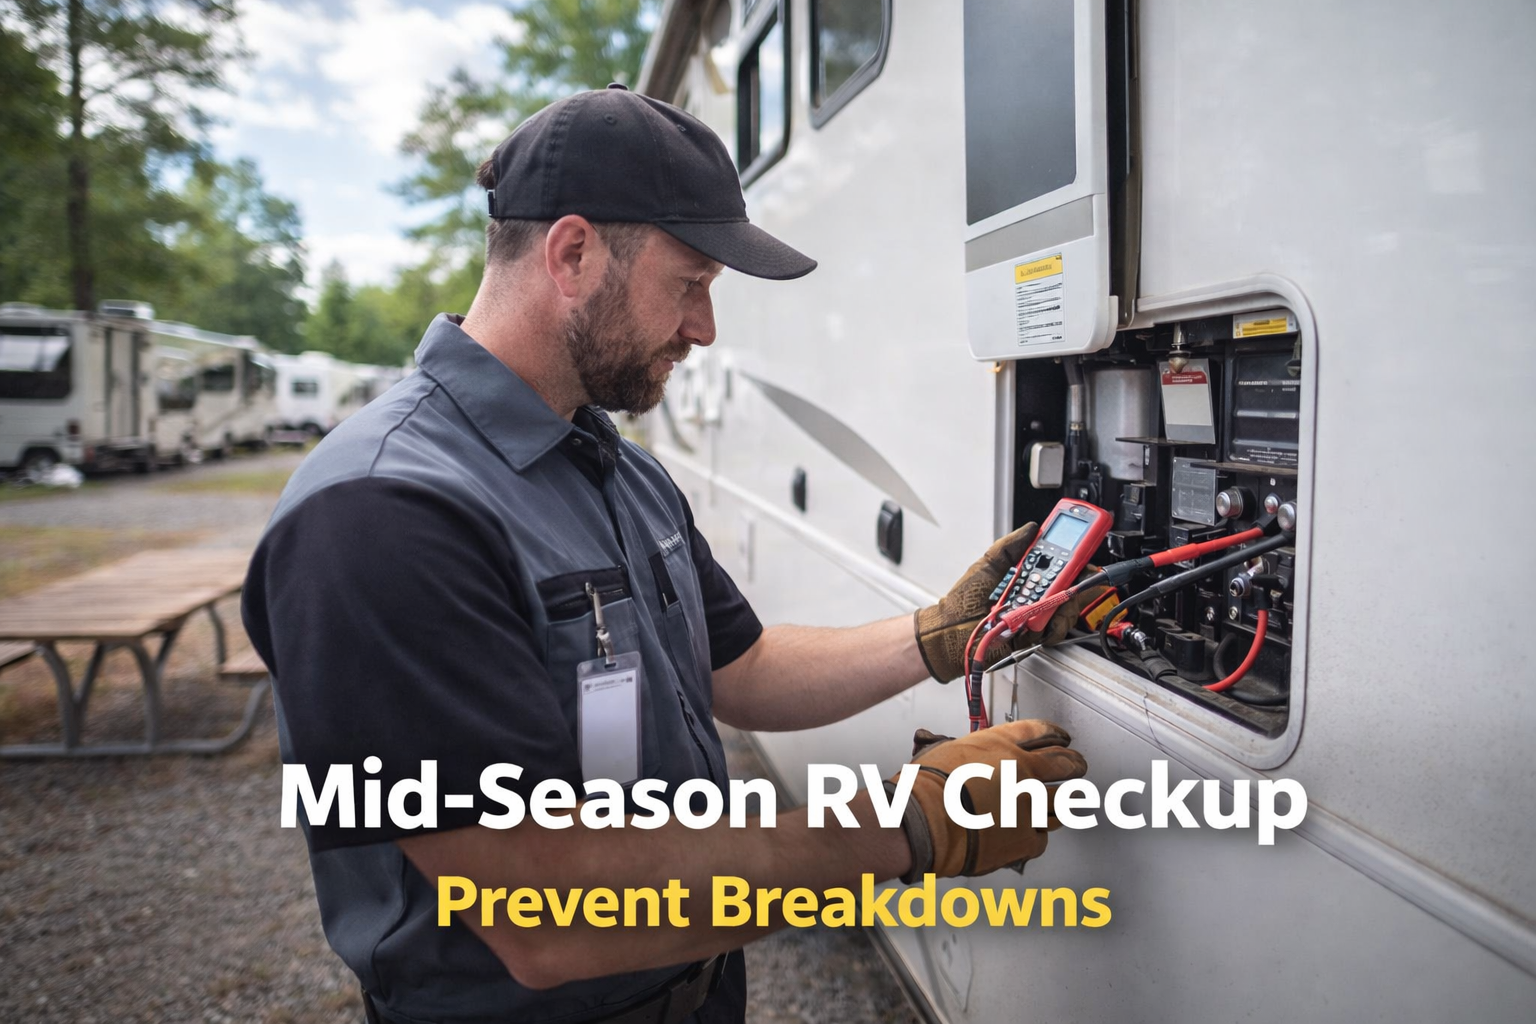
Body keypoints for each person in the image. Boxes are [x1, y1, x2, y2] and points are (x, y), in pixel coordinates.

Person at [243, 85, 1097, 1024]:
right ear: (572, 254)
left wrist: (939, 633)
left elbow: (743, 667)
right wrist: (911, 823)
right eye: (689, 284)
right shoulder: (383, 512)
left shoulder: (612, 467)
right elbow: (547, 917)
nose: (704, 329)